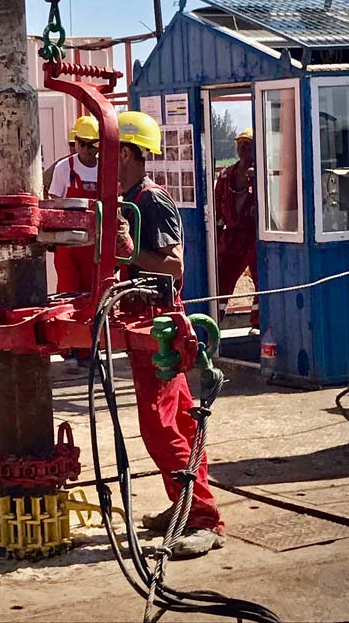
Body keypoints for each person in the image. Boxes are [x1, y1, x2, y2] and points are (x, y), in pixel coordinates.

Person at [116, 110, 225, 558]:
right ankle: (185, 503)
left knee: (160, 426)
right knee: (180, 421)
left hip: (159, 320)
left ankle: (203, 519)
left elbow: (174, 265)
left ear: (124, 152)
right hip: (140, 316)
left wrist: (129, 250)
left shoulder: (151, 200)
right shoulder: (125, 197)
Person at [48, 115, 99, 294]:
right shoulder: (63, 168)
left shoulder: (105, 169)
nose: (85, 149)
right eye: (81, 143)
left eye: (91, 144)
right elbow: (54, 202)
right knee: (68, 296)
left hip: (94, 247)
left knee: (94, 295)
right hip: (67, 246)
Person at [214, 128, 259, 333]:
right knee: (222, 280)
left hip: (253, 237)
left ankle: (258, 323)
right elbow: (216, 205)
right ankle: (214, 321)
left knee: (261, 280)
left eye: (247, 144)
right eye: (240, 143)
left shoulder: (261, 173)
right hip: (231, 238)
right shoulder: (226, 175)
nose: (242, 147)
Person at [42, 123, 77, 196]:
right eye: (72, 144)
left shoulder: (100, 166)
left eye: (89, 145)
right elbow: (43, 183)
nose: (75, 148)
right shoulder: (61, 165)